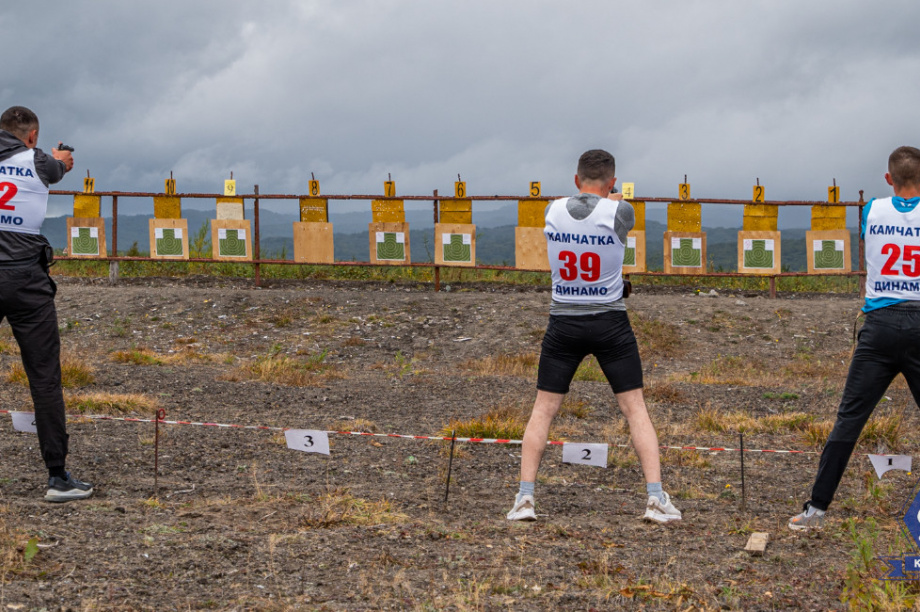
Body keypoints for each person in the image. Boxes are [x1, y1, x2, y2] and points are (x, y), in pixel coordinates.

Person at [506, 149, 681, 523]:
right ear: (612, 182)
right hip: (610, 324)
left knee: (543, 410)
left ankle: (524, 498)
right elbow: (611, 207)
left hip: (563, 323)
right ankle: (655, 499)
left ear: (575, 180)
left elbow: (578, 208)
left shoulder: (552, 211)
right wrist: (614, 198)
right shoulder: (621, 211)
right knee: (635, 409)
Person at [790, 146, 920, 530]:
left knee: (849, 420)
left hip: (878, 326)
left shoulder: (872, 210)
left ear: (887, 179)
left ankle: (816, 509)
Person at [0, 106, 92, 502]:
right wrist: (62, 159)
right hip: (25, 279)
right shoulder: (37, 161)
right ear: (32, 136)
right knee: (43, 377)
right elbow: (58, 169)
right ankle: (57, 476)